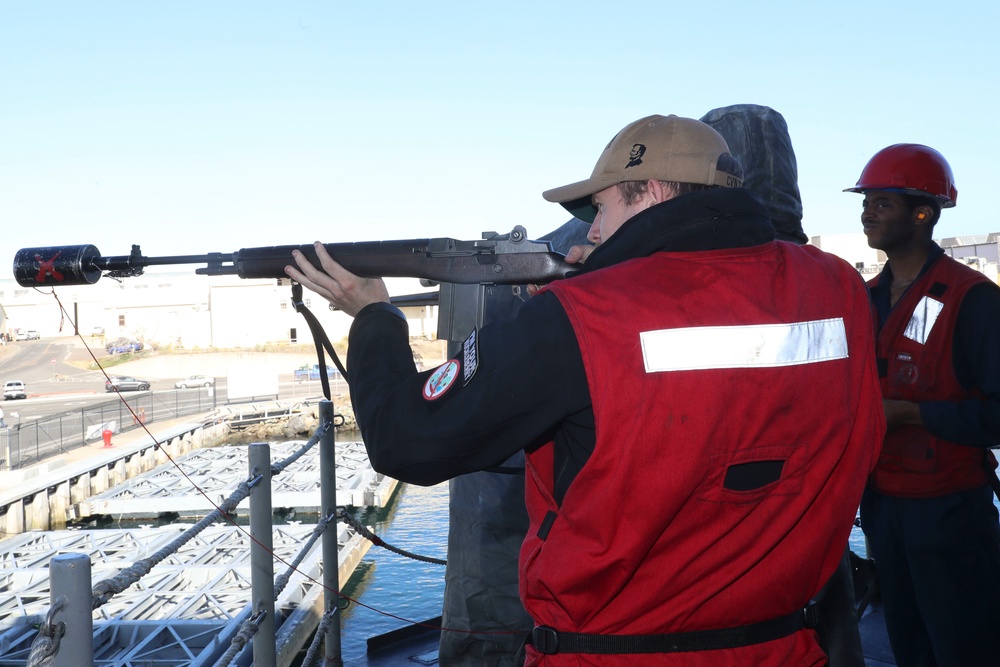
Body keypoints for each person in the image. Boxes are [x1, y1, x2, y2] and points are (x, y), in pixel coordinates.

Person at [287, 114, 884, 665]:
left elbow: (406, 440)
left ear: (649, 190)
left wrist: (373, 317)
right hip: (783, 645)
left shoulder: (581, 317)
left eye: (599, 208)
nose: (592, 228)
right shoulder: (837, 288)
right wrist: (605, 281)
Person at [847, 144, 1000, 667]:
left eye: (882, 203)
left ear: (923, 213)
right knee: (907, 641)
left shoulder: (972, 298)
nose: (868, 213)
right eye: (865, 202)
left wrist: (912, 414)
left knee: (964, 644)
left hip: (950, 511)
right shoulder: (864, 300)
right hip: (884, 507)